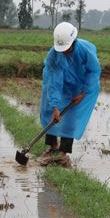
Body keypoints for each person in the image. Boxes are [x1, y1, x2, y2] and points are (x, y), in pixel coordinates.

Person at [40, 22, 101, 157]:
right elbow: (53, 82)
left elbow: (94, 71)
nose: (64, 51)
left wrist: (83, 93)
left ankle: (63, 152)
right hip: (61, 83)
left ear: (73, 41)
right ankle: (52, 146)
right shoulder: (53, 55)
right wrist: (55, 106)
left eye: (66, 48)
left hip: (80, 84)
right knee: (50, 111)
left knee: (71, 116)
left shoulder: (85, 50)